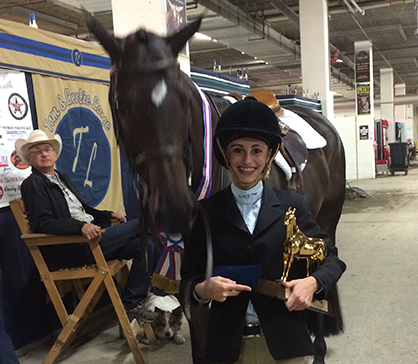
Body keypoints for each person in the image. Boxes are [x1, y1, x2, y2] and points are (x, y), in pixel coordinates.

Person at [180, 99, 346, 364]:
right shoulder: (205, 213)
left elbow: (332, 260)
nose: (247, 160)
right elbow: (188, 281)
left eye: (256, 150)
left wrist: (312, 283)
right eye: (238, 150)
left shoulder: (294, 206)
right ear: (226, 154)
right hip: (226, 348)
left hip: (285, 344)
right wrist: (203, 289)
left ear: (269, 155)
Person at [15, 129, 160, 323]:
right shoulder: (33, 184)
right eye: (37, 151)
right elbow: (43, 223)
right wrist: (78, 227)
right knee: (146, 224)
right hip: (73, 247)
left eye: (47, 149)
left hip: (92, 238)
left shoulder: (61, 177)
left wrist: (107, 215)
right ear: (29, 158)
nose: (44, 153)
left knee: (147, 246)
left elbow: (84, 209)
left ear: (55, 154)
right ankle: (155, 287)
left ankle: (132, 302)